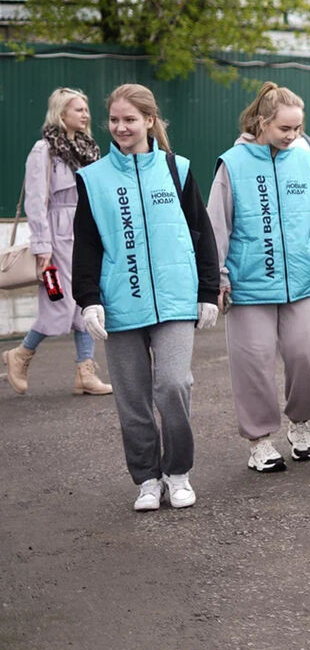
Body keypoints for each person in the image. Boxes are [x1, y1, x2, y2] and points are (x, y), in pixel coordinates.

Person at [72, 83, 219, 510]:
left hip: (175, 300)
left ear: (150, 121)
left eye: (130, 119)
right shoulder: (93, 179)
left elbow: (202, 231)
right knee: (132, 399)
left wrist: (208, 291)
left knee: (173, 384)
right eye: (114, 120)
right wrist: (89, 299)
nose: (121, 127)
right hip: (120, 304)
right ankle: (148, 479)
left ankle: (178, 472)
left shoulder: (177, 169)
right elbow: (86, 245)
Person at [208, 82, 310, 473]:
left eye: (297, 128)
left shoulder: (305, 158)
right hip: (248, 285)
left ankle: (300, 422)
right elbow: (217, 225)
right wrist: (219, 277)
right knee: (253, 363)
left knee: (304, 354)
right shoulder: (232, 164)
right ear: (263, 123)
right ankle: (259, 440)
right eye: (284, 128)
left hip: (302, 279)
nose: (292, 135)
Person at [5, 88, 110, 396]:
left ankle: (85, 372)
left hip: (86, 232)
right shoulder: (44, 150)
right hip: (58, 235)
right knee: (60, 304)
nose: (85, 114)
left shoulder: (88, 149)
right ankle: (21, 354)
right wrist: (42, 246)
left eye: (86, 109)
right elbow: (36, 201)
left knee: (86, 300)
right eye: (78, 109)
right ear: (61, 113)